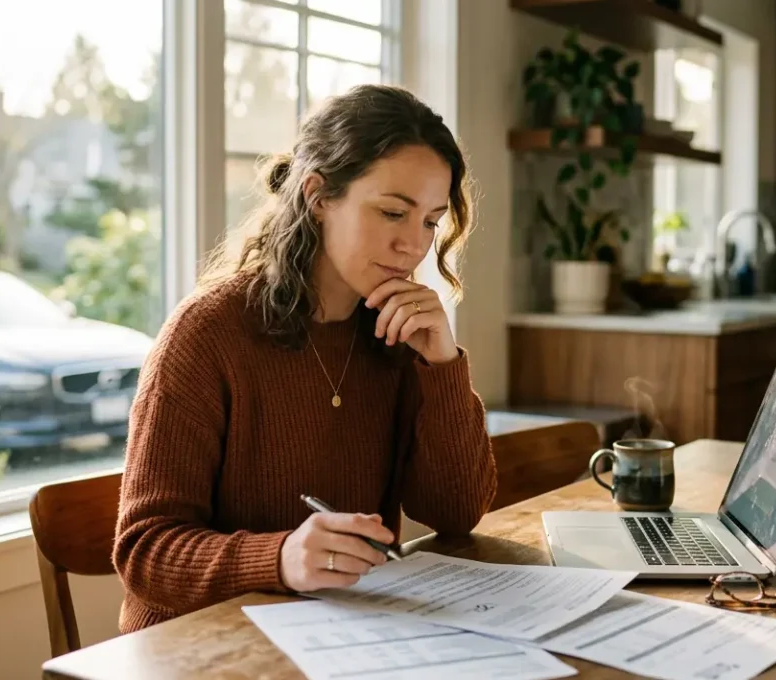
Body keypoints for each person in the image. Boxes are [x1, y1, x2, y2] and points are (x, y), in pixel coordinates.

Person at [112, 84, 497, 633]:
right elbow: (145, 552)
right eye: (393, 212)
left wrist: (442, 365)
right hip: (199, 646)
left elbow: (456, 514)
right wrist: (280, 558)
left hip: (345, 637)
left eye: (431, 221)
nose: (414, 246)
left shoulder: (396, 335)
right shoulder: (207, 334)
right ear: (318, 196)